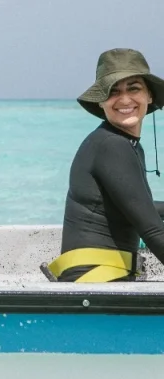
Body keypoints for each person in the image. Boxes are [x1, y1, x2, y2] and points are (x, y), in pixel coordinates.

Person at [44, 48, 164, 283]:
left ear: (149, 96)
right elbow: (152, 231)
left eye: (134, 88)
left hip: (101, 275)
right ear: (101, 101)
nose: (125, 99)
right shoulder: (112, 146)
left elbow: (138, 206)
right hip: (96, 280)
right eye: (113, 91)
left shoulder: (118, 142)